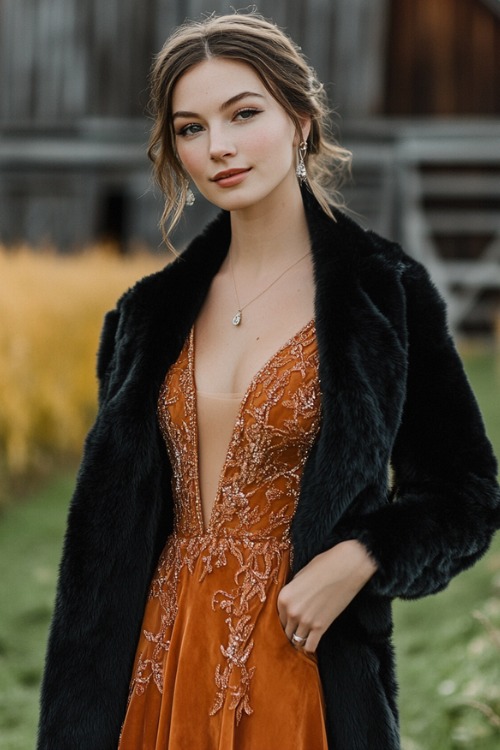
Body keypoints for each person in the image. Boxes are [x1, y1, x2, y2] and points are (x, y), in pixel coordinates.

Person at [37, 11, 500, 750]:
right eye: (190, 128)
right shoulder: (143, 317)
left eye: (243, 114)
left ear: (301, 119)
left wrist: (362, 557)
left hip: (299, 661)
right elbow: (106, 540)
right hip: (154, 661)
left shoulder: (387, 297)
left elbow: (466, 495)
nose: (217, 146)